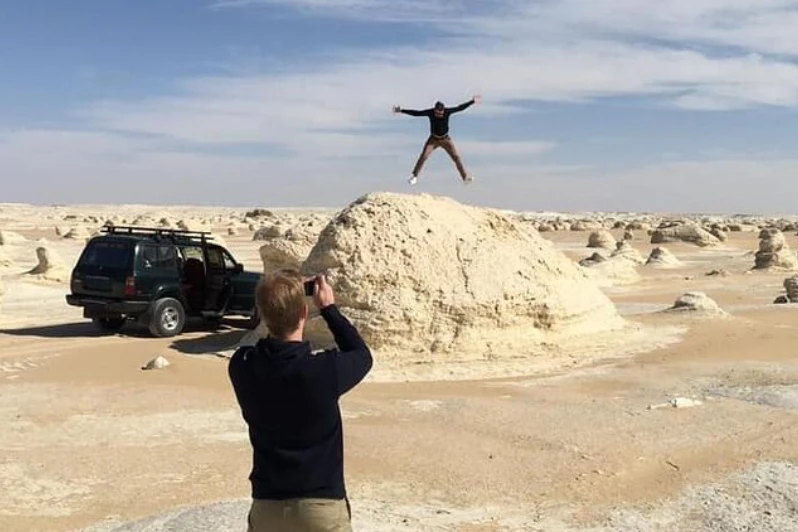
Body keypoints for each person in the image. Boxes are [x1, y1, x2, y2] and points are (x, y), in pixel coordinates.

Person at [228, 269, 373, 532]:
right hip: (320, 508)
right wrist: (329, 308)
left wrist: (276, 303)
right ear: (304, 315)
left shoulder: (243, 366)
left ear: (262, 314)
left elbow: (260, 348)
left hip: (267, 506)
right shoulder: (323, 371)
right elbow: (361, 355)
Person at [393, 94, 481, 185]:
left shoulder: (447, 112)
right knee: (424, 156)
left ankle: (465, 178)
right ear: (434, 110)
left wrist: (472, 101)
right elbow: (417, 113)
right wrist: (401, 110)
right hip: (433, 140)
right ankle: (414, 176)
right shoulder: (430, 112)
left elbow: (460, 108)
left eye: (440, 113)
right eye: (437, 113)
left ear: (443, 110)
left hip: (446, 139)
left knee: (456, 157)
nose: (438, 115)